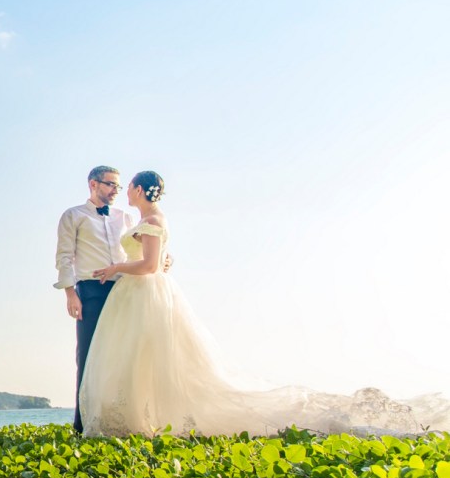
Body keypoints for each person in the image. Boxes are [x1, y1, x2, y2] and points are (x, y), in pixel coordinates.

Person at [77, 171, 450, 438]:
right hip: (135, 295)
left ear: (141, 189)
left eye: (127, 186)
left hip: (146, 292)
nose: (123, 191)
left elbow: (150, 265)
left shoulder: (154, 218)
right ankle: (135, 419)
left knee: (157, 358)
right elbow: (160, 259)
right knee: (137, 358)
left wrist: (116, 267)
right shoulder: (140, 218)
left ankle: (151, 419)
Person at [54, 165, 134, 434]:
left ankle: (119, 420)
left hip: (124, 290)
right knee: (87, 356)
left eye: (118, 186)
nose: (114, 191)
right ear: (93, 184)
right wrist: (69, 293)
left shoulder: (125, 217)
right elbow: (64, 256)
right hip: (90, 291)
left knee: (123, 355)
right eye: (110, 184)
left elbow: (138, 252)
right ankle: (82, 423)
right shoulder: (73, 216)